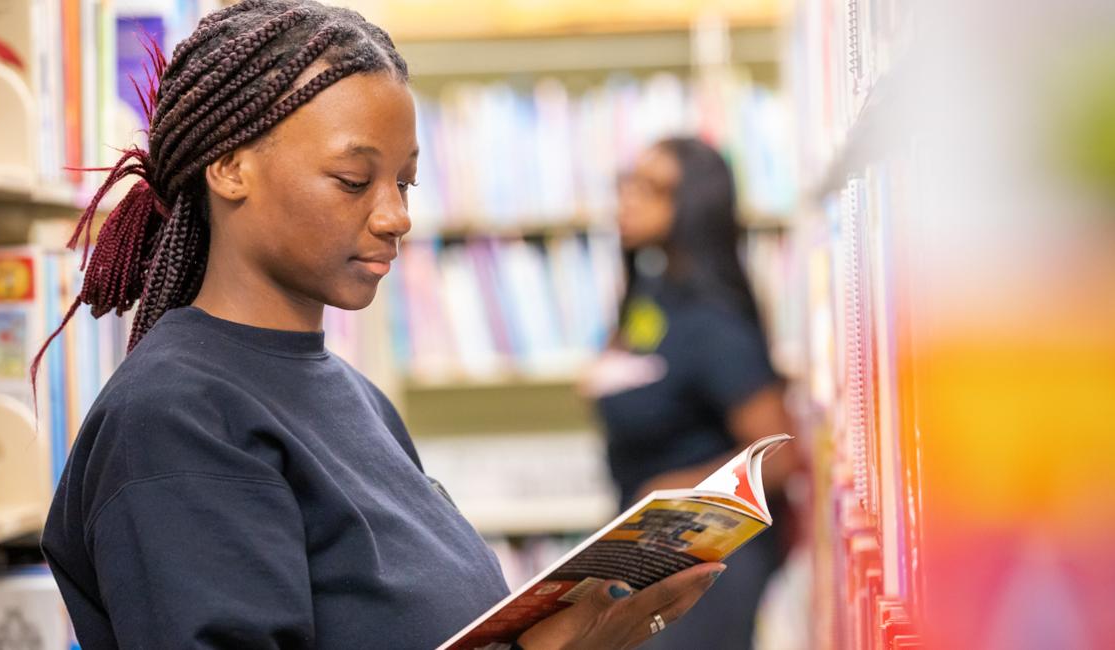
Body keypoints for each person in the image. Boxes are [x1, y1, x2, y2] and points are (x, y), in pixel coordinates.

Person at [37, 2, 725, 648]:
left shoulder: (353, 396)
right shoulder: (175, 420)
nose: (396, 216)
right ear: (229, 166)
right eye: (352, 179)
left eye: (405, 182)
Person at [584, 137, 800, 650]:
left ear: (693, 206)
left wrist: (668, 494)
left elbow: (780, 456)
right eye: (628, 183)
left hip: (706, 558)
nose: (629, 199)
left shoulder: (713, 320)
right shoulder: (653, 296)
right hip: (657, 549)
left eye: (652, 188)